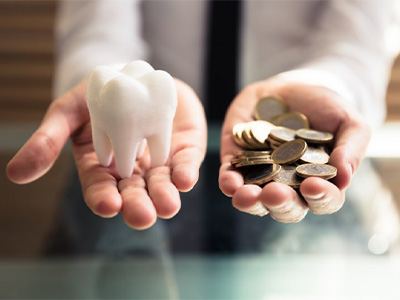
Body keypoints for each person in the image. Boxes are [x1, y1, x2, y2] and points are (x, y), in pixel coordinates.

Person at [6, 1, 399, 250]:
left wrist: (326, 89)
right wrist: (103, 83)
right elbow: (97, 27)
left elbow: (360, 42)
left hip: (320, 213)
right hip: (141, 164)